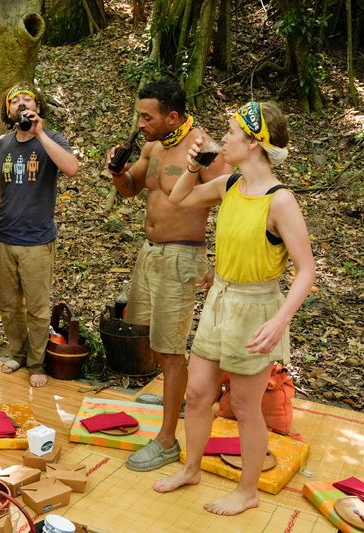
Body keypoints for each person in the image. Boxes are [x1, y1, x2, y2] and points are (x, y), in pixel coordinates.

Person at [157, 101, 315, 515]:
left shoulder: (280, 202)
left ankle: (247, 491)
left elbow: (306, 271)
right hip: (219, 300)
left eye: (230, 133)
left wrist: (280, 322)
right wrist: (193, 167)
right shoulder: (229, 184)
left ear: (253, 142)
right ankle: (191, 468)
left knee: (245, 406)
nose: (223, 138)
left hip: (256, 307)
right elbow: (179, 199)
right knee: (197, 393)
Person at [106, 78, 229, 472]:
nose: (140, 123)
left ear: (172, 116)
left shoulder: (204, 148)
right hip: (151, 253)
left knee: (172, 350)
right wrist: (116, 171)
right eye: (139, 115)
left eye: (148, 116)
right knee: (157, 341)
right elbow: (131, 188)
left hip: (182, 257)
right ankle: (176, 398)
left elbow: (232, 201)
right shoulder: (153, 147)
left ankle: (166, 441)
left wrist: (219, 262)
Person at [0, 84, 80, 388]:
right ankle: (18, 352)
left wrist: (39, 134)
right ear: (8, 110)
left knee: (38, 307)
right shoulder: (2, 144)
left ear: (38, 107)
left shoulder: (51, 139)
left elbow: (72, 168)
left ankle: (37, 362)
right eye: (15, 100)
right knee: (9, 305)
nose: (22, 104)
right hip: (4, 237)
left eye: (28, 99)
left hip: (37, 239)